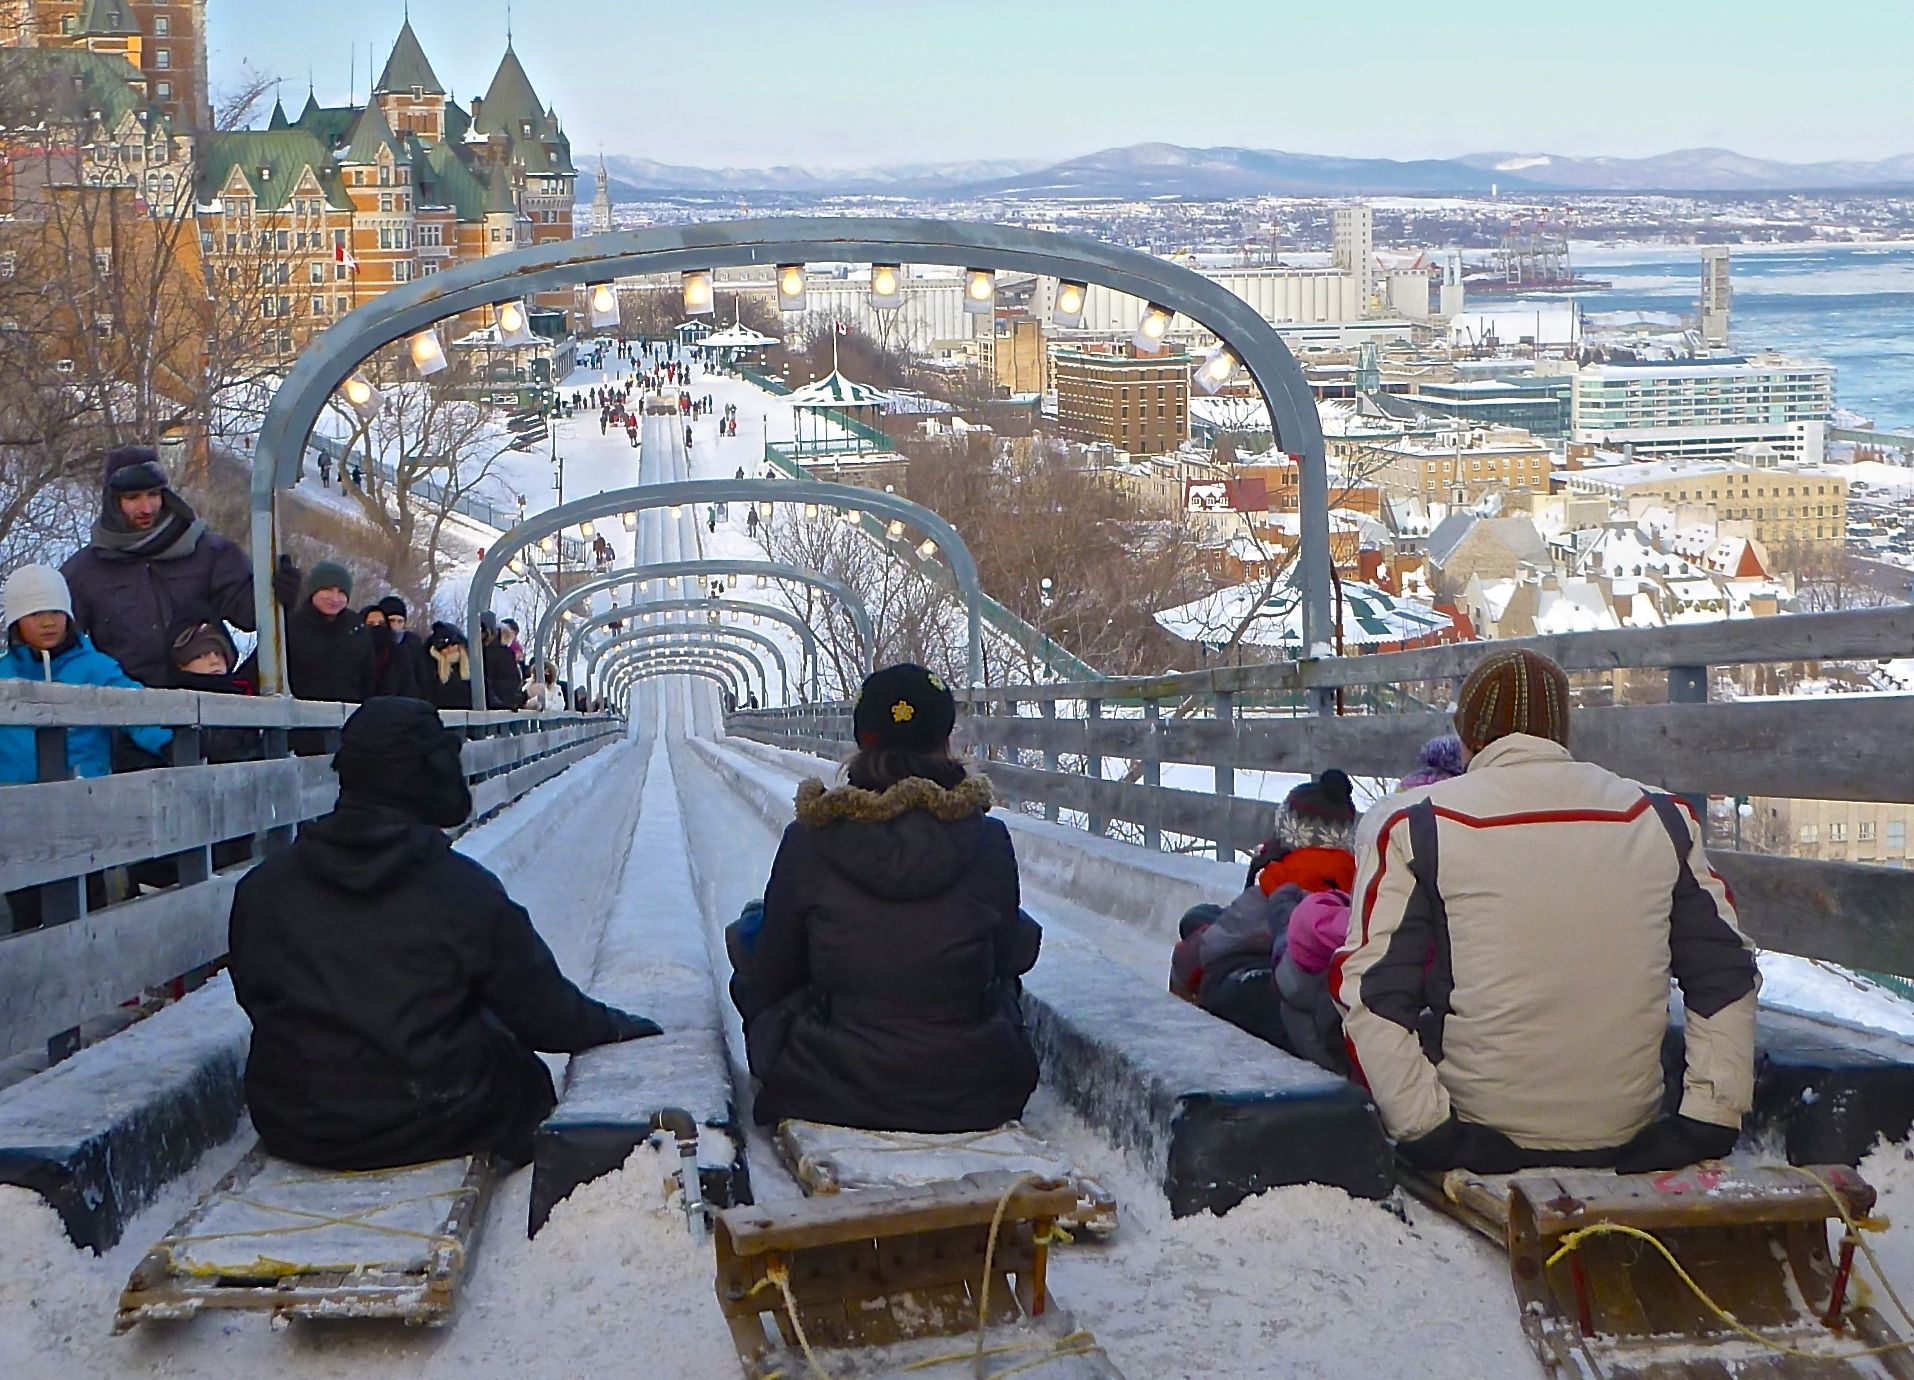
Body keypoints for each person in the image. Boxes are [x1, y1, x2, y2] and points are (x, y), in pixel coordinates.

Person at [1334, 649, 1760, 1176]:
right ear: (1560, 733)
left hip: (1478, 1136)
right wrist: (1708, 1120)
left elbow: (1372, 992)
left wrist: (1429, 1133)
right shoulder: (1660, 817)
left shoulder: (1414, 822)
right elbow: (1724, 972)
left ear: (1469, 736)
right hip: (1627, 1133)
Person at [227, 698, 661, 1169]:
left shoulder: (263, 890)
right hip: (433, 1120)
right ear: (430, 774)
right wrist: (615, 1025)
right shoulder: (461, 892)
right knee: (508, 1054)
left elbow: (257, 993)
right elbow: (544, 1016)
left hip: (299, 1125)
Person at [728, 664, 1041, 1133]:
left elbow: (775, 973)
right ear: (946, 742)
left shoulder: (811, 840)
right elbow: (1004, 960)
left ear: (862, 744)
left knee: (753, 944)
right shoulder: (987, 839)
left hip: (827, 1085)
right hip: (975, 1088)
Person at [1168, 771, 1358, 1046]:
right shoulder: (1359, 884)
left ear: (1288, 834)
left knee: (1197, 921)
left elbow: (1207, 948)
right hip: (1323, 993)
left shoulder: (1277, 887)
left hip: (1261, 984)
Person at [61, 446, 256, 688]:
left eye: (153, 494)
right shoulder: (84, 572)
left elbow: (252, 615)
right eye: (133, 498)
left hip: (205, 706)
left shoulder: (207, 552)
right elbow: (60, 650)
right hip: (126, 711)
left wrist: (276, 588)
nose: (146, 508)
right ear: (113, 502)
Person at [0, 565, 170, 786]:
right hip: (12, 803)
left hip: (84, 797)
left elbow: (139, 712)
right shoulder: (4, 675)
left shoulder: (96, 669)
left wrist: (172, 742)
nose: (48, 622)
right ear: (16, 621)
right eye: (35, 614)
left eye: (57, 611)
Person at [282, 560, 375, 709]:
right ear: (313, 591)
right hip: (300, 720)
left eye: (341, 592)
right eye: (327, 589)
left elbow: (369, 680)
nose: (334, 598)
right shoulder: (291, 625)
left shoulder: (358, 628)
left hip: (348, 721)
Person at [478, 611, 525, 711]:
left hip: (499, 706)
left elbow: (512, 683)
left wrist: (486, 685)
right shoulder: (474, 651)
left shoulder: (503, 654)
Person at [424, 621, 475, 711]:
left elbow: (485, 692)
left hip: (466, 718)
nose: (450, 649)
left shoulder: (470, 666)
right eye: (445, 646)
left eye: (454, 644)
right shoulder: (428, 665)